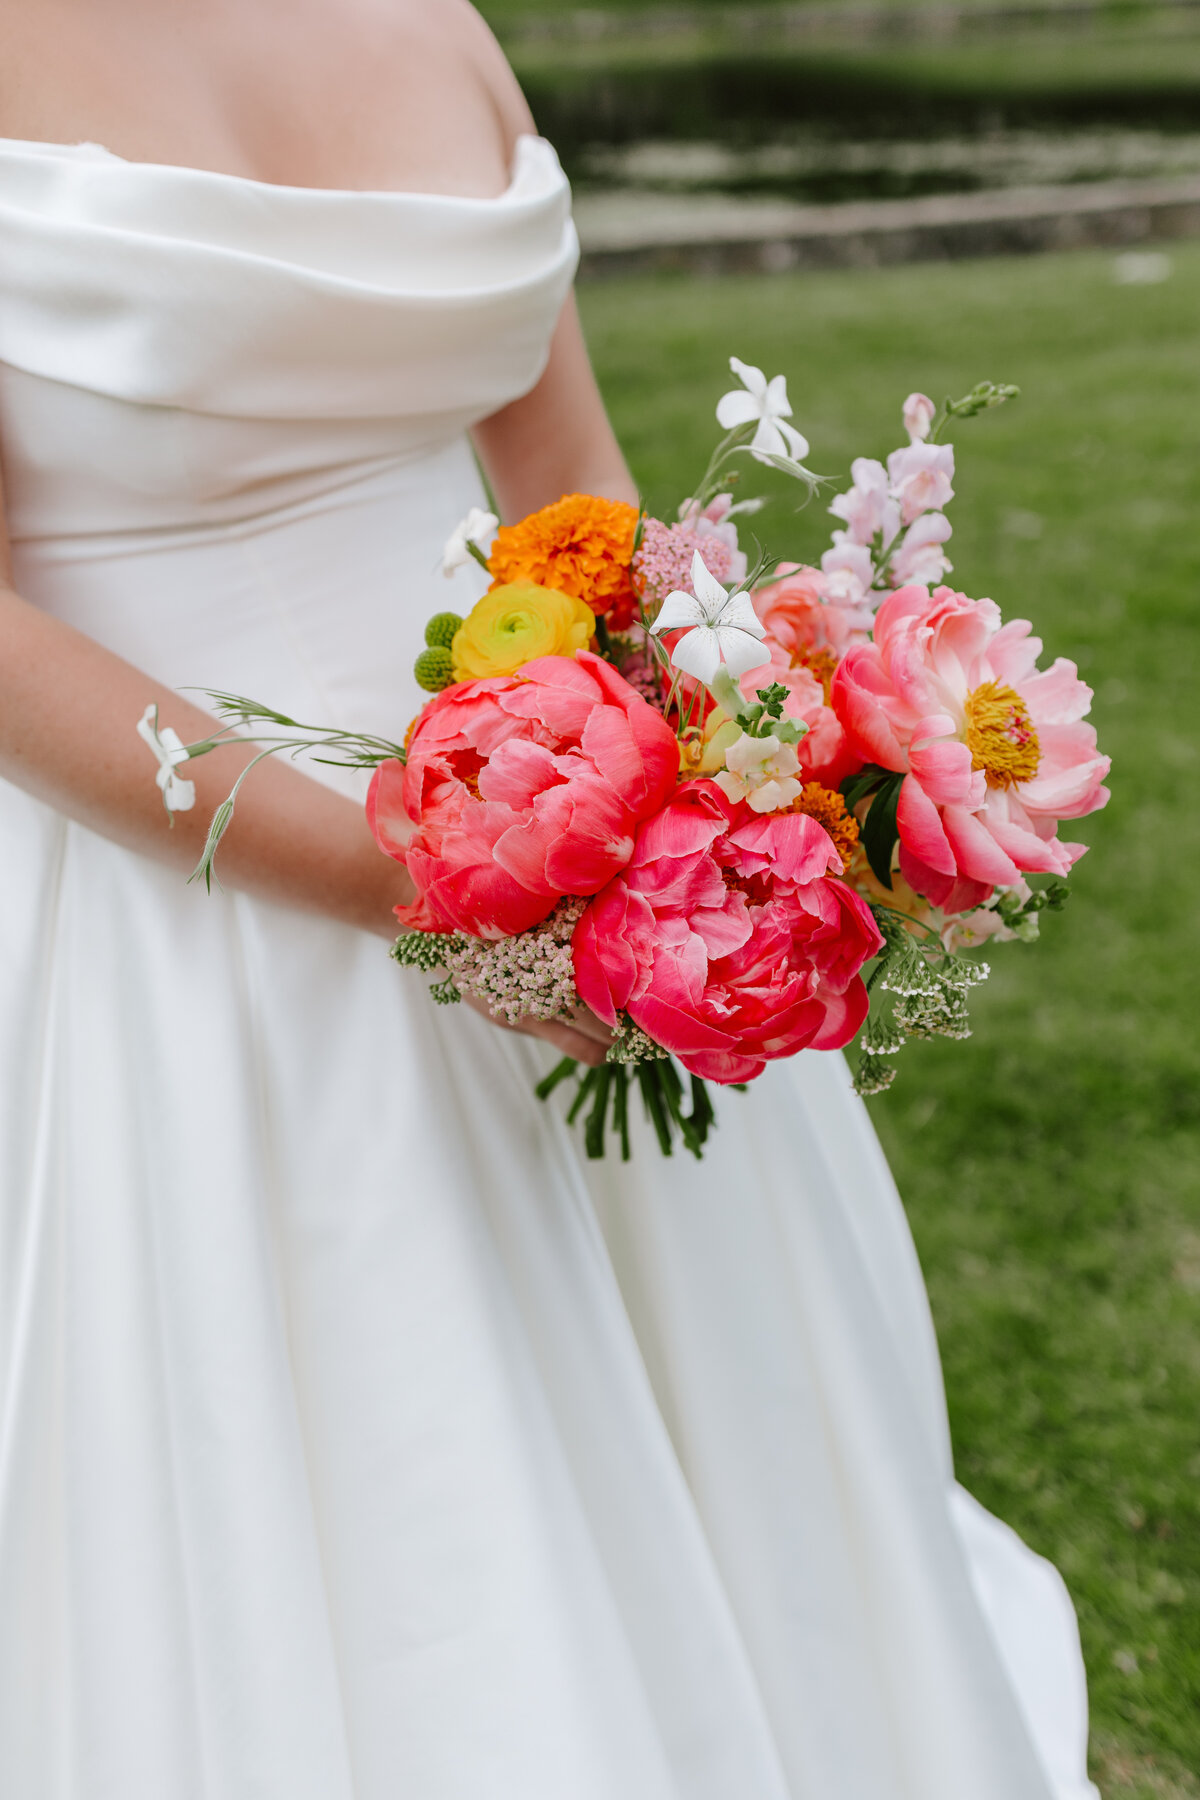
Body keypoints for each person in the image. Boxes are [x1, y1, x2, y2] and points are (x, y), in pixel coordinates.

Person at [0, 2, 1098, 1794]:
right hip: (186, 904)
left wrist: (737, 764)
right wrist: (416, 887)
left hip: (593, 846)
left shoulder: (435, 29)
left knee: (710, 1426)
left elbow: (576, 484)